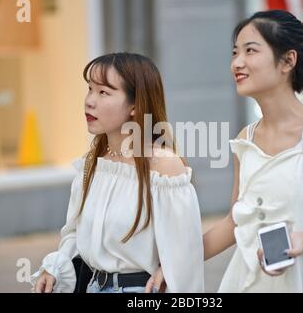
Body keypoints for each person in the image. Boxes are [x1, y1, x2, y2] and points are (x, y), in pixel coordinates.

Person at [147, 10, 303, 293]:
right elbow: (233, 222)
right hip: (249, 282)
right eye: (235, 52)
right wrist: (174, 265)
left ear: (288, 61)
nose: (237, 62)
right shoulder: (245, 140)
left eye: (251, 51)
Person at [30, 53, 204, 293]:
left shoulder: (163, 166)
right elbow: (75, 234)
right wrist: (55, 268)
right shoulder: (92, 163)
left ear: (135, 105)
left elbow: (185, 255)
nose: (89, 101)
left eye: (103, 92)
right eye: (90, 89)